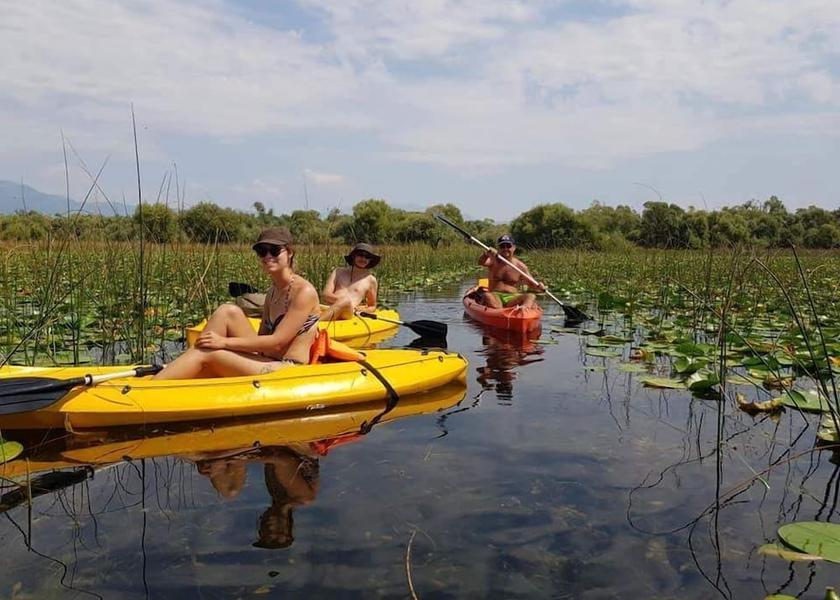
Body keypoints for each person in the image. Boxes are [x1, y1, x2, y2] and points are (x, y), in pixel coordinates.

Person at [154, 227, 321, 379]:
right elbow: (263, 339)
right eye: (262, 252)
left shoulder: (303, 292)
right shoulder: (272, 291)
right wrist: (227, 349)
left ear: (290, 253)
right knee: (227, 311)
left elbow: (277, 342)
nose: (268, 256)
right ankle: (184, 367)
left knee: (210, 353)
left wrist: (224, 343)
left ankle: (153, 388)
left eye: (275, 251)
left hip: (288, 368)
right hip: (267, 358)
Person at [475, 234, 545, 309]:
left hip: (512, 297)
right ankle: (499, 311)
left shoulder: (521, 266)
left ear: (514, 248)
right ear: (499, 248)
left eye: (508, 246)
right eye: (502, 246)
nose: (505, 249)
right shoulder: (493, 260)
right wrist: (486, 254)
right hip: (495, 295)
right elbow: (481, 262)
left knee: (531, 296)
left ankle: (523, 310)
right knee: (487, 295)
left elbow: (531, 284)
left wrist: (539, 286)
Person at [320, 242, 380, 321]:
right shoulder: (338, 271)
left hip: (348, 312)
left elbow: (372, 306)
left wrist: (361, 310)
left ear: (370, 260)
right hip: (328, 307)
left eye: (367, 257)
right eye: (360, 255)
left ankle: (314, 325)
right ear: (354, 256)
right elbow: (325, 295)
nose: (363, 259)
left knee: (346, 301)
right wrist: (340, 302)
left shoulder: (371, 280)